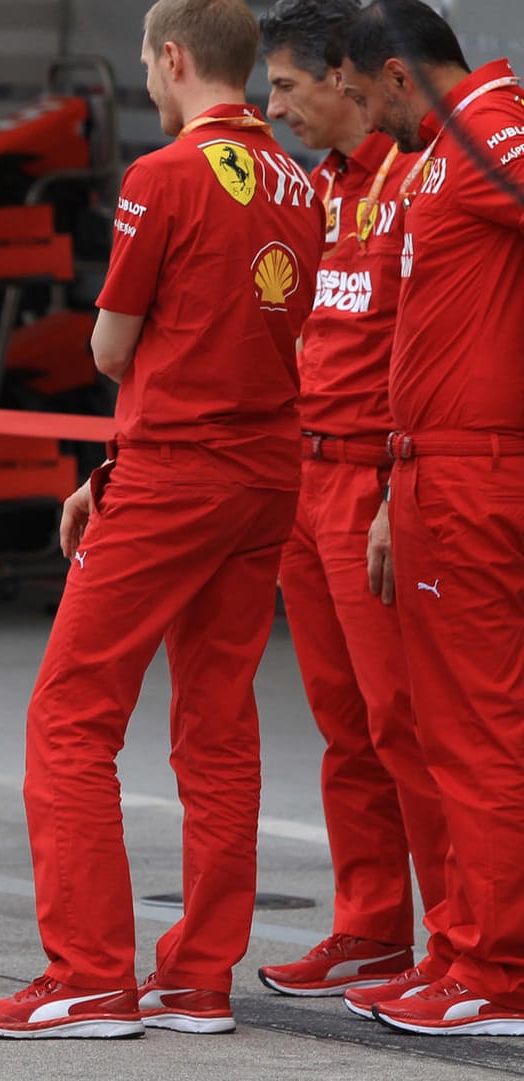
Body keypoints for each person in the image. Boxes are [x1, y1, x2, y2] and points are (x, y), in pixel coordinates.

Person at [0, 0, 321, 1039]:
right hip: (265, 472)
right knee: (217, 724)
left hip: (175, 473)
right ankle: (200, 976)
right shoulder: (303, 182)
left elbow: (113, 349)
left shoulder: (159, 176)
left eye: (148, 68)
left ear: (171, 61)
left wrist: (131, 448)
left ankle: (85, 971)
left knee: (70, 715)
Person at [253, 0, 455, 1010]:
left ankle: (462, 941)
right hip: (304, 474)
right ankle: (373, 928)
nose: (275, 106)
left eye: (287, 85)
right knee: (343, 724)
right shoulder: (315, 192)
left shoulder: (424, 179)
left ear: (347, 76)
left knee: (405, 720)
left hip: (378, 480)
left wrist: (388, 488)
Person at [339, 0, 524, 1037]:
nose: (367, 124)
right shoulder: (452, 151)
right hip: (430, 469)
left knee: (483, 733)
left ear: (401, 78)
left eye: (366, 99)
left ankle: (502, 970)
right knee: (449, 734)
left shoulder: (494, 127)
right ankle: (464, 948)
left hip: (478, 471)